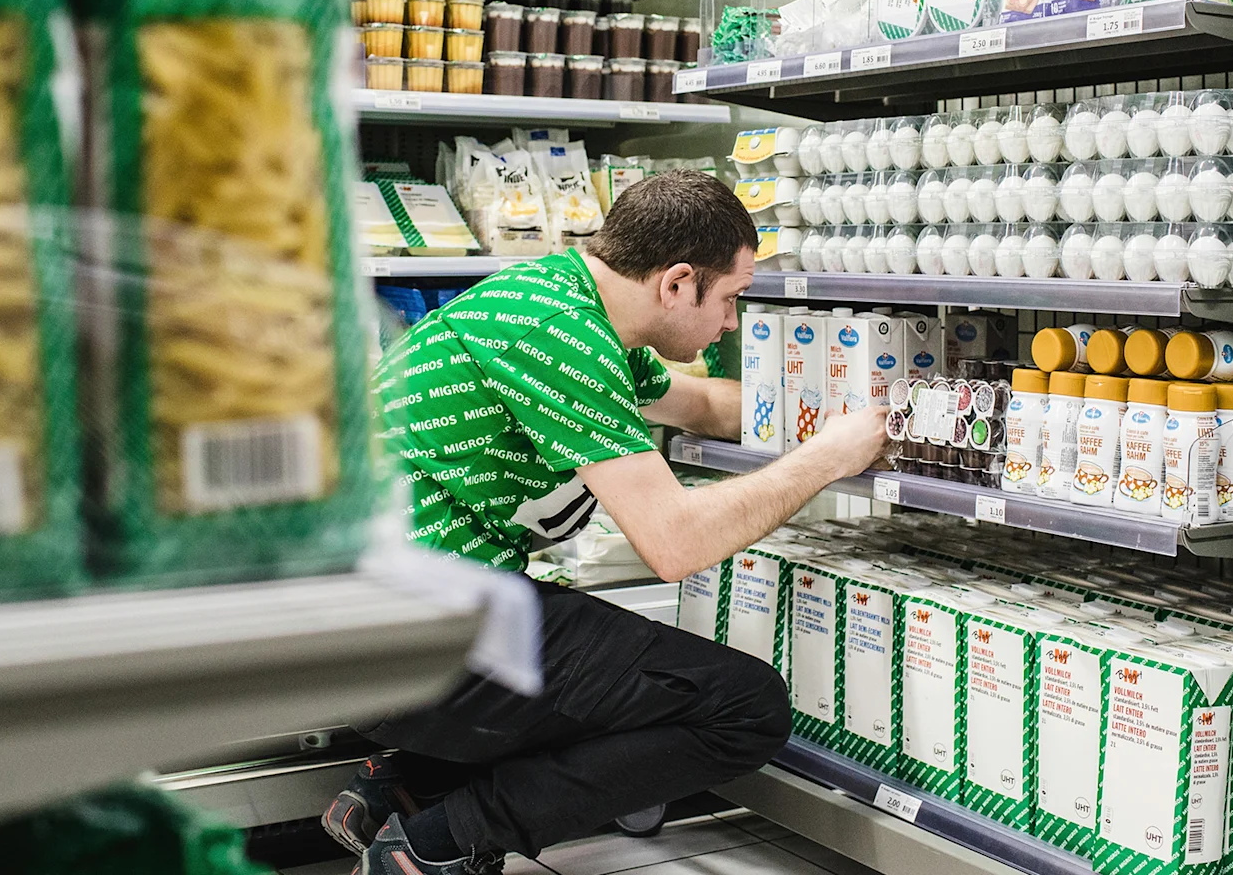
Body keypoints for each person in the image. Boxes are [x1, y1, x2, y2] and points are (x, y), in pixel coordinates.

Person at [331, 170, 891, 875]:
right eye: (730, 298)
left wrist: (830, 410)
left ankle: (402, 785)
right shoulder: (561, 337)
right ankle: (435, 845)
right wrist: (826, 459)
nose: (730, 323)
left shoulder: (560, 298)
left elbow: (703, 406)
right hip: (408, 633)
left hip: (365, 623)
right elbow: (675, 544)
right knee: (745, 708)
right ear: (677, 282)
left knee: (605, 655)